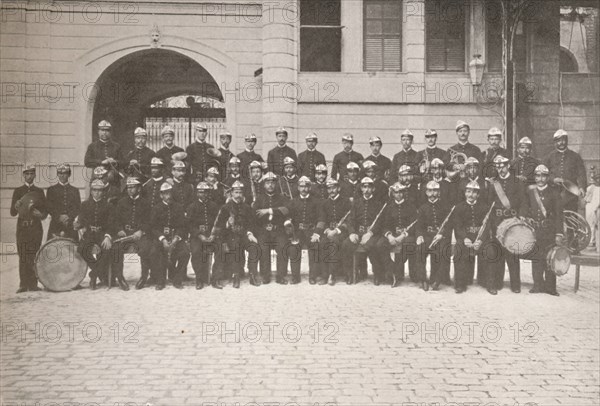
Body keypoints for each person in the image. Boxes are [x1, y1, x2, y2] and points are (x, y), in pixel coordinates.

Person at [521, 165, 564, 296]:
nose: (540, 179)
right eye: (538, 176)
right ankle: (537, 285)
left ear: (547, 177)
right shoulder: (529, 192)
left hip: (549, 231)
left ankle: (551, 287)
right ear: (534, 177)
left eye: (543, 176)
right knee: (537, 258)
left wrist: (559, 233)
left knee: (550, 258)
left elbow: (559, 215)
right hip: (535, 230)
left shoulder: (554, 193)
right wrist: (524, 216)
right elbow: (524, 206)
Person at [486, 155, 522, 295]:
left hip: (512, 221)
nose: (500, 169)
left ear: (508, 166)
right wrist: (491, 223)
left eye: (503, 166)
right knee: (497, 253)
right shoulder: (494, 183)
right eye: (498, 166)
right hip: (497, 221)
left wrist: (521, 216)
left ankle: (515, 284)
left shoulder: (517, 181)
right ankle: (497, 283)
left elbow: (523, 201)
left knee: (513, 253)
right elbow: (489, 204)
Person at [213, 181, 260, 288]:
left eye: (240, 192)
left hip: (244, 235)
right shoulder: (225, 208)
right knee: (235, 245)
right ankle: (236, 275)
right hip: (229, 236)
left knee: (254, 247)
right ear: (231, 193)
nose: (238, 195)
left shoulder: (247, 208)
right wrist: (227, 224)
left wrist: (249, 233)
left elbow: (251, 223)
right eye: (236, 192)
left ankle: (252, 275)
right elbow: (219, 226)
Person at [113, 177, 156, 291]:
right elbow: (116, 220)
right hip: (125, 234)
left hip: (140, 234)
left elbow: (150, 221)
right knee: (116, 248)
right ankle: (120, 278)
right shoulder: (121, 202)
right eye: (128, 187)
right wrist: (119, 229)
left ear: (139, 188)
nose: (130, 190)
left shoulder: (145, 203)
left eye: (133, 187)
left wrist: (141, 231)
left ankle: (143, 277)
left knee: (146, 248)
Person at [11, 164, 47, 293]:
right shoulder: (18, 191)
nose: (29, 176)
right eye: (27, 174)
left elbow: (45, 212)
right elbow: (12, 213)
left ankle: (33, 284)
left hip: (35, 227)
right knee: (23, 255)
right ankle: (23, 284)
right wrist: (16, 206)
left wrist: (41, 215)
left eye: (32, 173)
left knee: (34, 254)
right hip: (22, 228)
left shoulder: (39, 191)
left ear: (35, 175)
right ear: (23, 175)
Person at [342, 177, 385, 285]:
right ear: (361, 188)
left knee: (372, 246)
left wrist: (370, 233)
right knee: (346, 244)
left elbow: (380, 222)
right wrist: (352, 233)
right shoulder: (356, 203)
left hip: (372, 234)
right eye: (364, 187)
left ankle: (377, 275)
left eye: (369, 187)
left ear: (373, 189)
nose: (366, 190)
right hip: (358, 233)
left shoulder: (378, 204)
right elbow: (350, 220)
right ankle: (351, 274)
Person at [377, 182, 419, 288]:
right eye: (396, 192)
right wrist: (390, 236)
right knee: (380, 244)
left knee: (410, 243)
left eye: (400, 192)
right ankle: (391, 270)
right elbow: (385, 225)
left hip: (406, 235)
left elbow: (414, 225)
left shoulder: (411, 206)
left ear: (404, 193)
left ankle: (409, 274)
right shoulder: (389, 207)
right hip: (393, 235)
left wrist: (403, 236)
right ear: (393, 194)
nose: (398, 195)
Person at [452, 181, 492, 293]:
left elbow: (487, 226)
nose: (471, 195)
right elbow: (458, 226)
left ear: (478, 195)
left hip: (480, 239)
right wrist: (464, 238)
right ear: (465, 193)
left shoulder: (484, 208)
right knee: (458, 250)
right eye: (468, 192)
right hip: (465, 239)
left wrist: (481, 240)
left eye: (474, 192)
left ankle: (488, 283)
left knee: (490, 250)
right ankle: (460, 284)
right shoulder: (459, 208)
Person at [252, 172, 290, 284]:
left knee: (283, 247)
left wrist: (269, 211)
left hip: (278, 230)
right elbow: (254, 215)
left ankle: (281, 276)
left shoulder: (282, 197)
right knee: (263, 248)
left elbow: (286, 210)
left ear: (275, 184)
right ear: (264, 185)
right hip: (263, 230)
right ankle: (265, 275)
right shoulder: (259, 199)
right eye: (267, 183)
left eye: (272, 182)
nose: (270, 185)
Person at [151, 182, 190, 290]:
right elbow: (153, 227)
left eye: (169, 193)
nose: (168, 196)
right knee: (154, 252)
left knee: (185, 253)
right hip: (161, 239)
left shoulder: (178, 207)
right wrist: (162, 239)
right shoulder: (156, 208)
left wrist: (176, 239)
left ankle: (177, 279)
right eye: (165, 194)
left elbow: (182, 226)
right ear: (161, 195)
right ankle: (160, 280)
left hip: (175, 238)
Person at [77, 179, 113, 290]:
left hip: (102, 233)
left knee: (107, 250)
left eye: (100, 190)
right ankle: (97, 272)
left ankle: (93, 275)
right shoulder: (85, 204)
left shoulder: (108, 206)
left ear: (103, 192)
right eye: (95, 190)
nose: (97, 193)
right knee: (82, 249)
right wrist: (82, 227)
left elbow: (112, 223)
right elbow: (81, 220)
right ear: (91, 191)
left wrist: (107, 236)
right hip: (89, 233)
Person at [285, 176, 322, 284]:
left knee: (315, 246)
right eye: (301, 186)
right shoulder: (293, 201)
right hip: (297, 232)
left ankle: (312, 276)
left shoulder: (316, 202)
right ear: (298, 188)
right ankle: (296, 277)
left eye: (306, 186)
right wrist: (288, 224)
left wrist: (317, 233)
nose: (304, 189)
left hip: (311, 231)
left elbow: (321, 218)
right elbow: (288, 216)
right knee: (293, 248)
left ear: (310, 187)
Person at [416, 181, 452, 291]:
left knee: (445, 251)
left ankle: (438, 279)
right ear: (426, 192)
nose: (432, 193)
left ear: (439, 192)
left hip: (440, 237)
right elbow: (419, 225)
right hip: (427, 236)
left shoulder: (445, 207)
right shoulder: (422, 208)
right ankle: (423, 279)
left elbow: (449, 225)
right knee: (420, 249)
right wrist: (419, 236)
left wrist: (442, 234)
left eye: (435, 191)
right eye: (430, 191)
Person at [187, 182, 222, 290]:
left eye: (206, 192)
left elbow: (219, 222)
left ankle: (215, 278)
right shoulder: (191, 207)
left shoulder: (214, 206)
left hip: (212, 235)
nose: (203, 194)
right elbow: (189, 225)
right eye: (201, 192)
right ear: (197, 193)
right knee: (196, 251)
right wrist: (199, 235)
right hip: (197, 237)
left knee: (221, 250)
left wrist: (214, 235)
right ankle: (199, 278)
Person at [318, 178, 352, 285]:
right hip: (329, 231)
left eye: (333, 188)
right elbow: (322, 219)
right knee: (322, 243)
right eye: (329, 188)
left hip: (342, 232)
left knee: (334, 243)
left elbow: (349, 220)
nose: (331, 190)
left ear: (338, 188)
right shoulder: (325, 203)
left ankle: (332, 275)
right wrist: (326, 229)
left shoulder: (346, 201)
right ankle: (324, 275)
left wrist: (337, 230)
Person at [544, 129, 587, 212]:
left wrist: (582, 187)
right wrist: (553, 179)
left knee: (570, 217)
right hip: (553, 192)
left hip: (571, 194)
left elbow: (581, 173)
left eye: (563, 140)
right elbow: (543, 173)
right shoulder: (549, 157)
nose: (561, 143)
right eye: (558, 141)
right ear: (555, 142)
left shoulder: (575, 156)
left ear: (567, 141)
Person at [46, 163, 80, 241]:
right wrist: (59, 216)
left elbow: (78, 207)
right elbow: (49, 207)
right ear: (57, 174)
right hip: (55, 224)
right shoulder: (51, 190)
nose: (62, 175)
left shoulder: (74, 190)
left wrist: (69, 217)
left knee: (72, 249)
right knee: (53, 249)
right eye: (60, 173)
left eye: (65, 173)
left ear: (69, 174)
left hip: (70, 224)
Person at [84, 120, 123, 186]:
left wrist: (114, 161)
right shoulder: (92, 146)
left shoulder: (116, 146)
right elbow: (87, 162)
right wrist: (101, 162)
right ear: (98, 132)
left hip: (113, 180)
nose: (104, 133)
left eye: (107, 130)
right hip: (97, 179)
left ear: (110, 132)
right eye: (102, 130)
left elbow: (123, 162)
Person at [585, 172, 600, 250]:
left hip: (597, 209)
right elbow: (586, 198)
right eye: (597, 179)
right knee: (590, 225)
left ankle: (596, 243)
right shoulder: (592, 187)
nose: (598, 180)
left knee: (597, 226)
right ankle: (591, 241)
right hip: (590, 207)